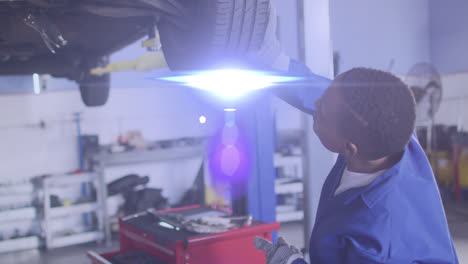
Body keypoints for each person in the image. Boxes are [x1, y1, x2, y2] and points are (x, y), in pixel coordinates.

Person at [250, 6, 459, 264]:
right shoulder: (387, 130)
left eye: (322, 114)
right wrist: (276, 63)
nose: (315, 106)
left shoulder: (376, 243)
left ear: (350, 147)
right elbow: (330, 96)